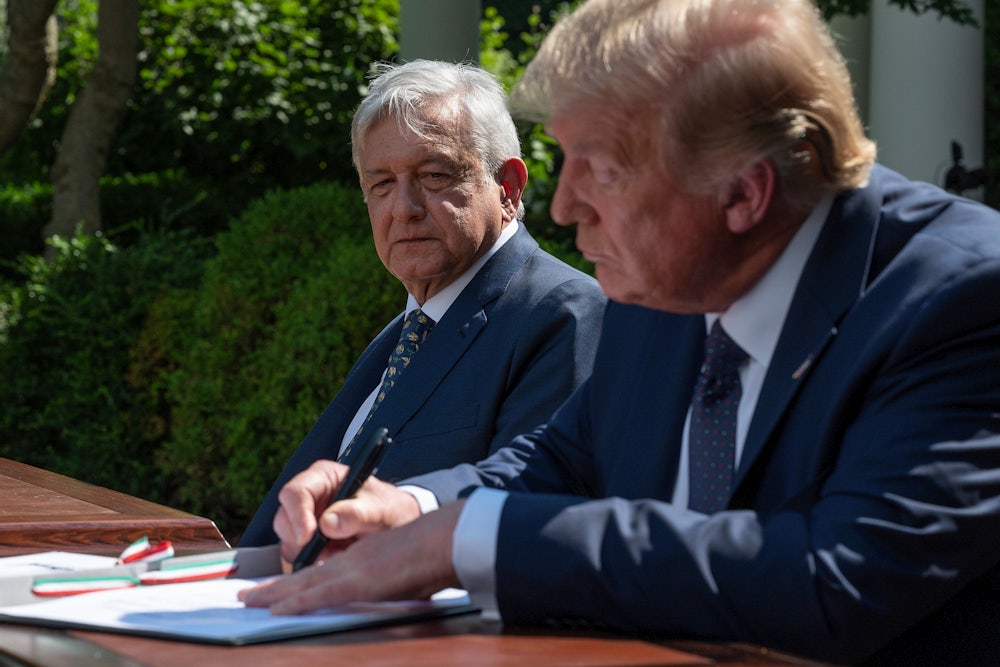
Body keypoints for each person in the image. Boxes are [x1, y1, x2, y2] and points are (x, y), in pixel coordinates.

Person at [240, 0, 1000, 663]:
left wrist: (476, 542)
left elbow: (836, 581)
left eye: (600, 168)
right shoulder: (670, 272)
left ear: (743, 191)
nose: (564, 206)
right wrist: (411, 510)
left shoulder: (961, 298)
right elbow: (568, 456)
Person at [238, 59, 606, 546]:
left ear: (509, 189)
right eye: (382, 184)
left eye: (434, 175)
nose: (403, 209)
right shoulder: (403, 333)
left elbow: (536, 505)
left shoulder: (564, 312)